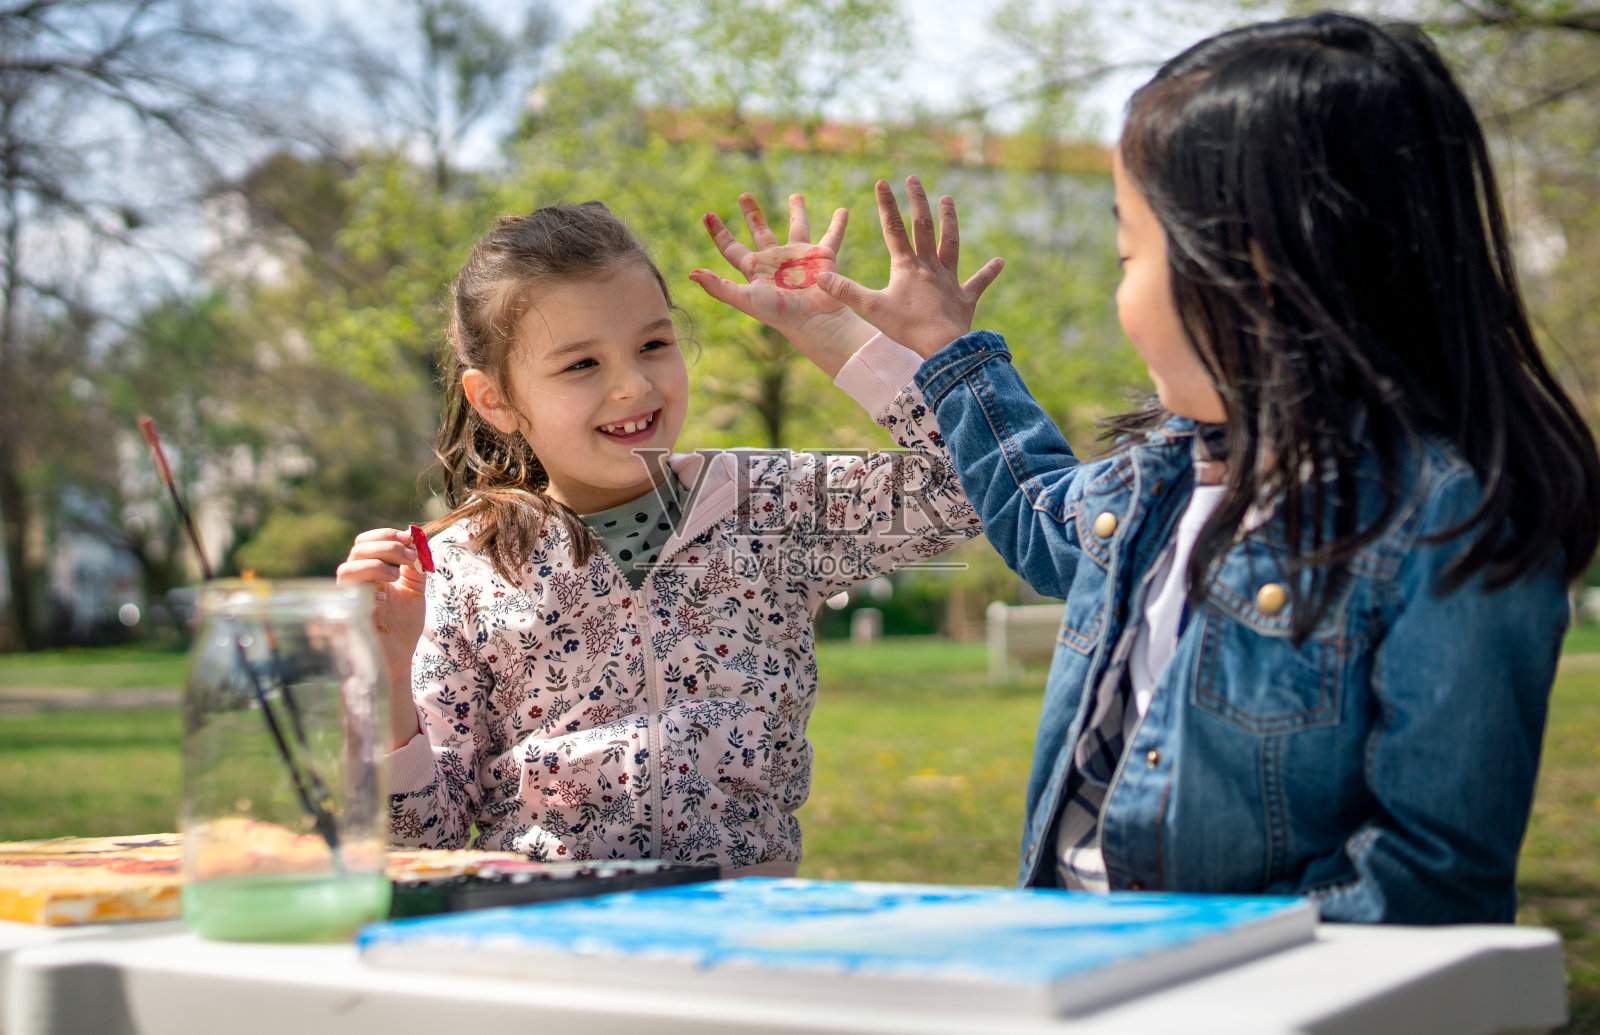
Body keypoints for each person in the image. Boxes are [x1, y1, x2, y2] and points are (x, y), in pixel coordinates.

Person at [816, 12, 1600, 922]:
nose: (1120, 290)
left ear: (1257, 269)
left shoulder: (1445, 519)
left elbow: (1428, 879)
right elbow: (1035, 514)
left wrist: (1196, 976)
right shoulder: (1160, 478)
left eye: (1129, 254)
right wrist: (947, 347)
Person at [336, 195, 982, 876]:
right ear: (495, 399)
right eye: (581, 364)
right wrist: (383, 674)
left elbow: (971, 490)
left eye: (652, 344)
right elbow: (416, 846)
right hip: (557, 947)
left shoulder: (769, 506)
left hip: (744, 937)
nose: (633, 384)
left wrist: (834, 333)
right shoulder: (458, 572)